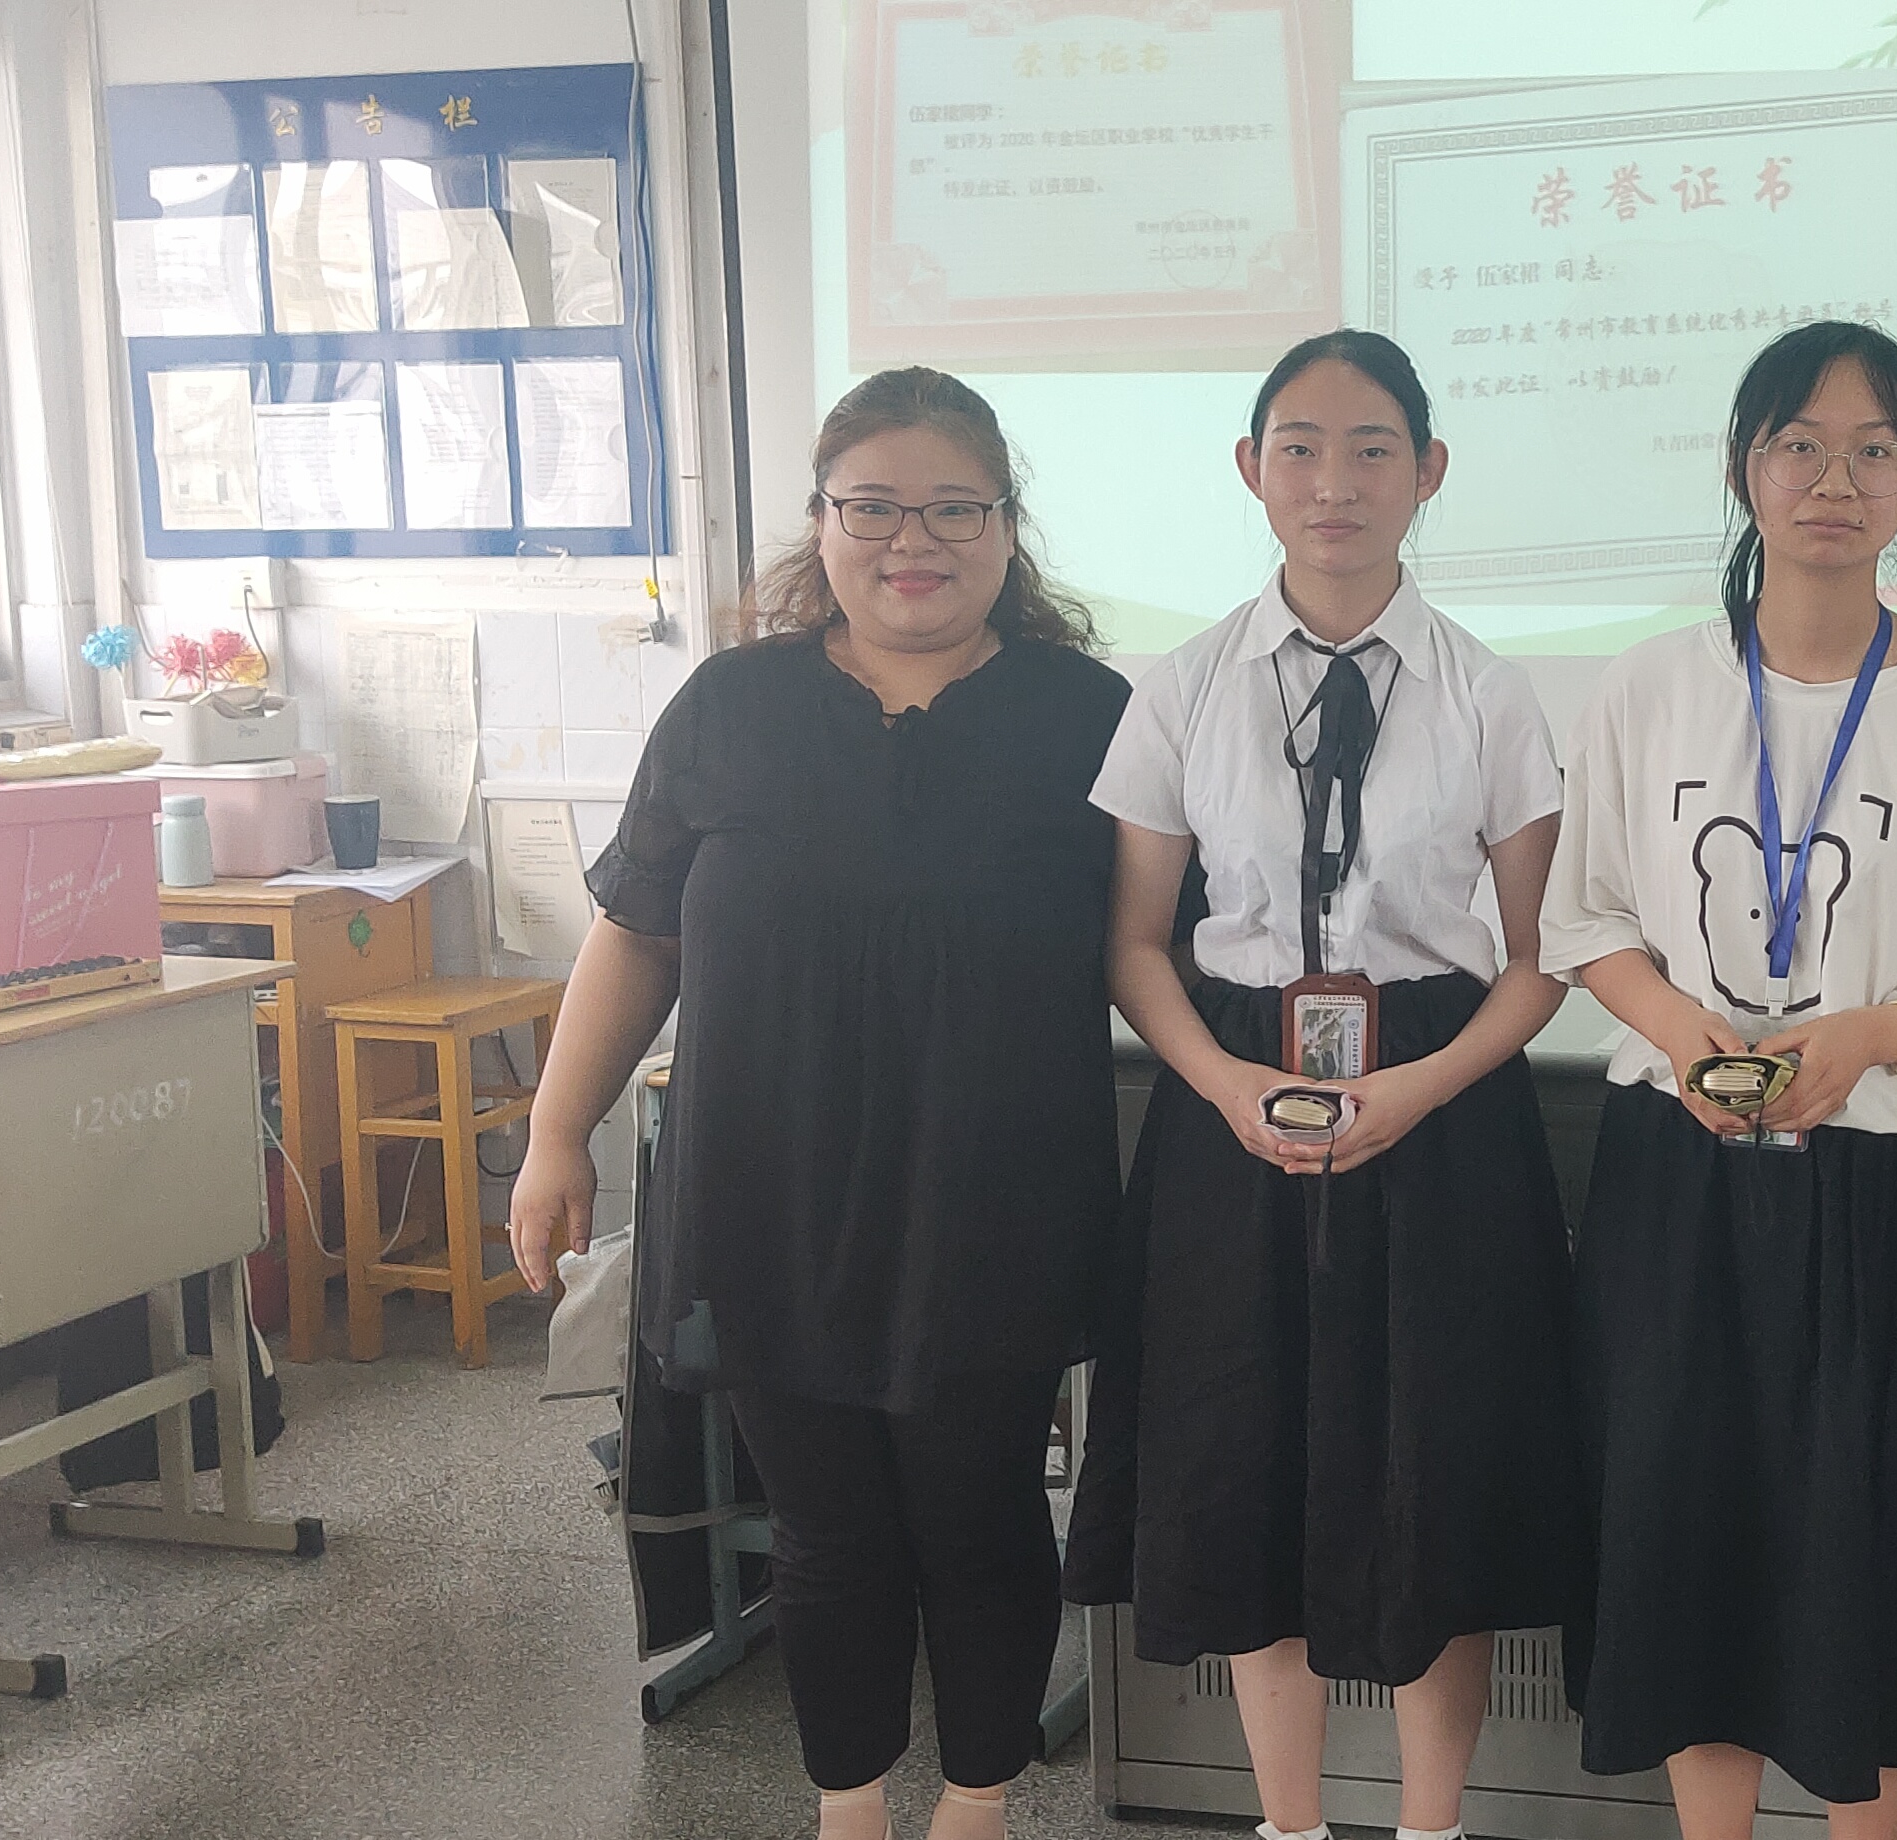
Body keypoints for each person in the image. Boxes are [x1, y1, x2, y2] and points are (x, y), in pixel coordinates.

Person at [505, 367, 1131, 1840]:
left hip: (996, 1193)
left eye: (955, 509)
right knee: (827, 1529)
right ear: (822, 521)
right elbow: (637, 935)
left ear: (1007, 525)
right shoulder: (730, 708)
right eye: (875, 508)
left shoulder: (1090, 718)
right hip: (767, 1190)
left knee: (981, 1513)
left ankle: (975, 1804)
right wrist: (551, 1134)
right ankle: (849, 1808)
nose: (915, 540)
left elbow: (1160, 944)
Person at [1542, 321, 1897, 1840]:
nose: (1834, 481)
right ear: (1742, 469)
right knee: (1684, 1534)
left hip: (1896, 1194)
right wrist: (1686, 1033)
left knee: (1889, 1543)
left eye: (1874, 451)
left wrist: (1876, 1036)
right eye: (1799, 445)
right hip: (1681, 1184)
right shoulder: (1649, 686)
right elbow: (1584, 919)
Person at [1063, 330, 1586, 1840]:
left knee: (1435, 1468)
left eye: (1372, 450)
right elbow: (1133, 940)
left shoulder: (1490, 693)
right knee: (1247, 1465)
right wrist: (1223, 1083)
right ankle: (1286, 1824)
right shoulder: (1181, 688)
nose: (1333, 481)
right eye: (1298, 446)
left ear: (1429, 472)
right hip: (1230, 1099)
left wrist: (1423, 1089)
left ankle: (1430, 1824)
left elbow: (1544, 958)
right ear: (1251, 470)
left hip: (1442, 1111)